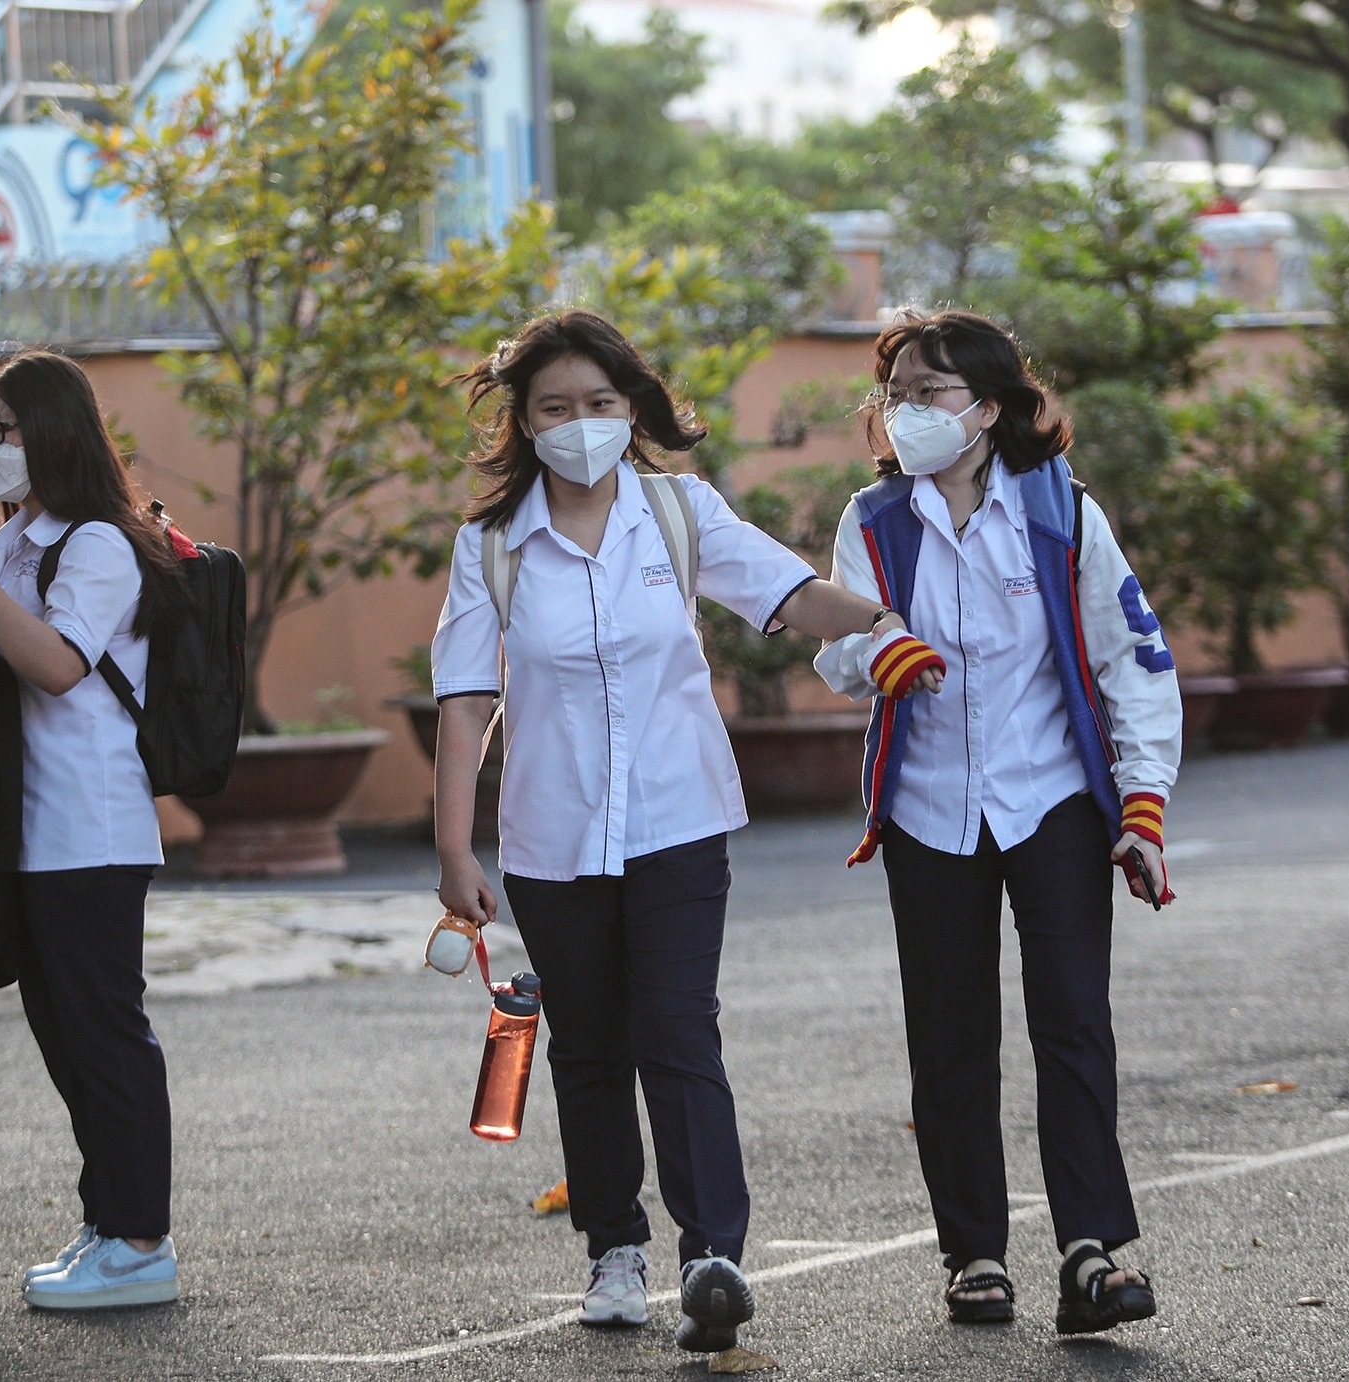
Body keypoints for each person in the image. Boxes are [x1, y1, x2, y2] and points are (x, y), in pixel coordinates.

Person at [430, 309, 898, 1354]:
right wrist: (453, 848)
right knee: (590, 1043)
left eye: (599, 403)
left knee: (679, 1029)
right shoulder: (491, 546)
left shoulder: (677, 512)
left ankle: (709, 1253)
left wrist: (889, 628)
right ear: (524, 420)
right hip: (550, 839)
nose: (580, 423)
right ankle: (612, 1247)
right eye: (555, 406)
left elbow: (788, 593)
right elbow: (465, 700)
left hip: (678, 820)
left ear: (631, 408)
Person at [812, 309, 1181, 1334]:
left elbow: (1134, 657)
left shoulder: (1061, 513)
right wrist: (875, 646)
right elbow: (831, 634)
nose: (906, 411)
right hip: (928, 808)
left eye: (926, 390)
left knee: (1070, 1022)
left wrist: (1141, 805)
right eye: (894, 393)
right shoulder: (874, 519)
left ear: (986, 405)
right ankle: (972, 1253)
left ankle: (1091, 1252)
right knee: (949, 1036)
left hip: (1051, 799)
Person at [0, 349, 190, 1310]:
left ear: (55, 434)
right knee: (61, 1030)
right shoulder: (21, 538)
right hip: (30, 826)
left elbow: (59, 667)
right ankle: (108, 1219)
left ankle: (143, 1240)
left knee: (104, 1031)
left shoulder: (97, 543)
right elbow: (20, 666)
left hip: (92, 828)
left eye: (3, 432)